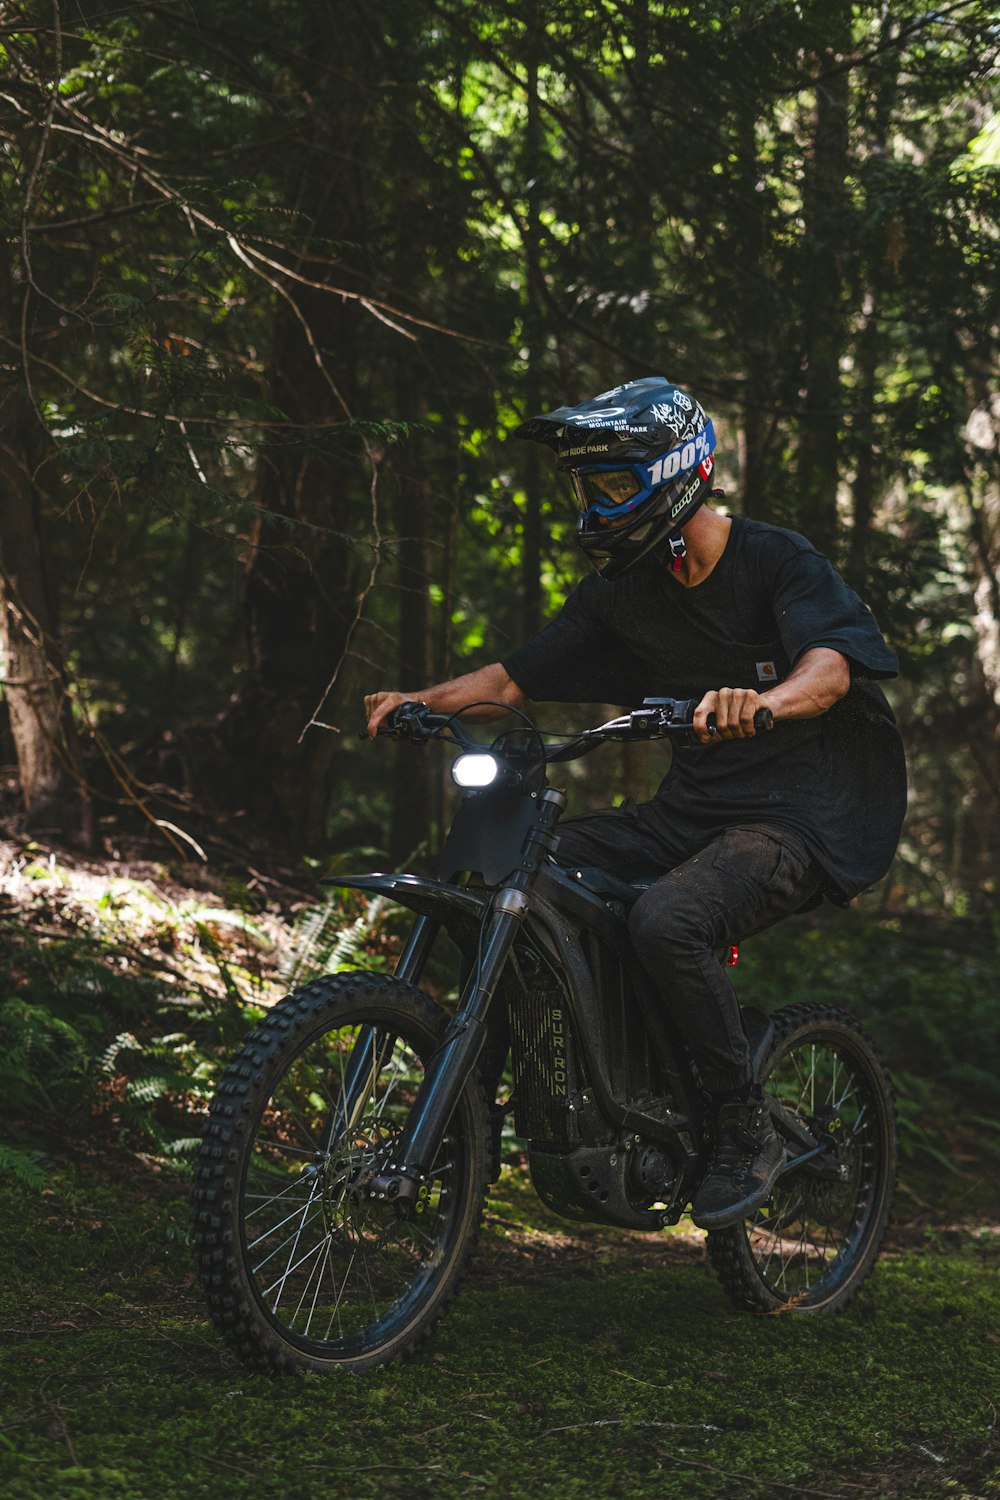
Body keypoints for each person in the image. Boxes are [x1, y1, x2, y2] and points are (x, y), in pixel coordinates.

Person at [364, 376, 906, 1230]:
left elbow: (831, 667)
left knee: (667, 921)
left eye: (613, 485)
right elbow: (510, 679)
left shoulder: (775, 561)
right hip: (692, 810)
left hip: (802, 817)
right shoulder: (622, 594)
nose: (594, 506)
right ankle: (488, 1112)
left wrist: (763, 701)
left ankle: (742, 1126)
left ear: (679, 472)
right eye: (587, 488)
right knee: (524, 874)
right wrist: (416, 702)